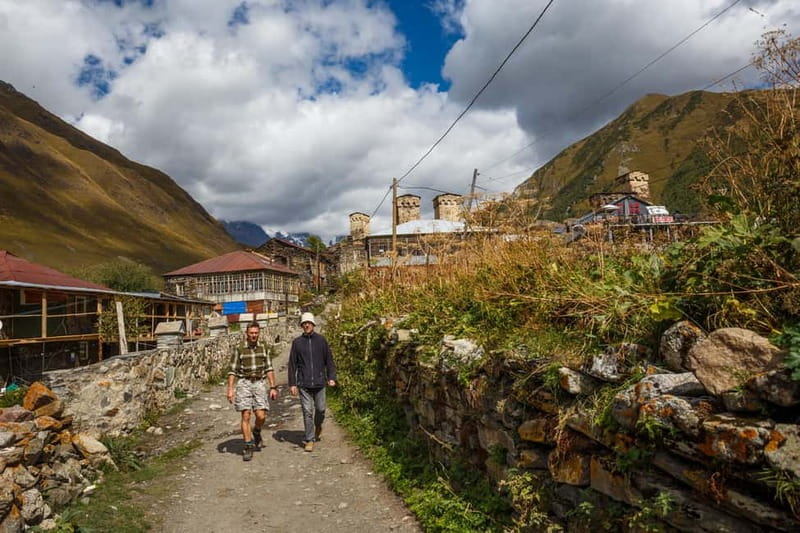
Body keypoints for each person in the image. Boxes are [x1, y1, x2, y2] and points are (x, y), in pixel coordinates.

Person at [227, 320, 278, 461]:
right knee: (246, 415)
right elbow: (232, 370)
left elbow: (269, 368)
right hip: (244, 383)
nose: (254, 335)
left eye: (256, 333)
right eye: (251, 333)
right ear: (247, 334)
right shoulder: (239, 349)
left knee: (261, 416)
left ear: (259, 333)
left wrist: (273, 387)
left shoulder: (264, 348)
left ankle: (257, 431)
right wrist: (230, 389)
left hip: (259, 383)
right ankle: (248, 446)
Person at [288, 312, 336, 452]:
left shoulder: (321, 341)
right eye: (304, 323)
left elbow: (329, 361)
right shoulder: (297, 343)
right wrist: (292, 383)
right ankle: (309, 439)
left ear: (313, 324)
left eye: (309, 323)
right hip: (304, 384)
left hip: (320, 383)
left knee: (320, 410)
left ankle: (318, 425)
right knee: (307, 411)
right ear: (302, 325)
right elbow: (292, 364)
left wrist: (331, 377)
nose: (307, 325)